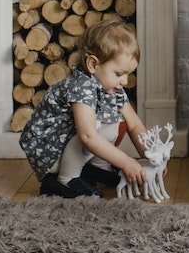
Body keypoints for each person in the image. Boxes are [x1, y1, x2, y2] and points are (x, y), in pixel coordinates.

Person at [19, 21, 148, 198]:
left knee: (115, 123)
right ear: (93, 65)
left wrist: (150, 156)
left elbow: (134, 124)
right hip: (48, 148)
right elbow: (87, 136)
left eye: (128, 74)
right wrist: (126, 161)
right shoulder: (81, 87)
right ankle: (66, 179)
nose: (125, 81)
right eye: (119, 74)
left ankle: (95, 168)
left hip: (67, 143)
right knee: (96, 130)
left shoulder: (112, 88)